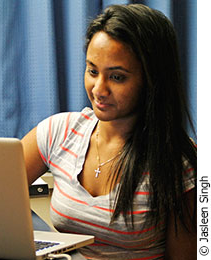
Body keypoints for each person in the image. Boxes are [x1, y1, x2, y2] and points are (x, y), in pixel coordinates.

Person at [21, 4, 197, 260]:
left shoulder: (178, 162)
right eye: (93, 71)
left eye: (117, 77)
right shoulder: (59, 131)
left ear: (151, 79)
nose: (98, 89)